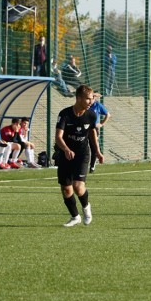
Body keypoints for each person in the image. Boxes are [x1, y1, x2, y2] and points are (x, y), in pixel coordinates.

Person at [55, 84, 104, 227]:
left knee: (77, 185)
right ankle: (75, 216)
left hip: (82, 154)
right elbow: (58, 137)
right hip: (66, 154)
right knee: (66, 188)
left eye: (92, 99)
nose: (91, 102)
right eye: (88, 99)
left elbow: (92, 134)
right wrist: (65, 149)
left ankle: (86, 208)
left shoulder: (91, 115)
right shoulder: (65, 114)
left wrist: (98, 152)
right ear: (78, 98)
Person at [88, 93, 110, 173]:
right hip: (84, 128)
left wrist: (101, 124)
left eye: (93, 98)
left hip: (94, 129)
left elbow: (108, 114)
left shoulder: (97, 105)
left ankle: (92, 166)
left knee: (94, 147)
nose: (90, 100)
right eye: (89, 98)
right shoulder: (85, 105)